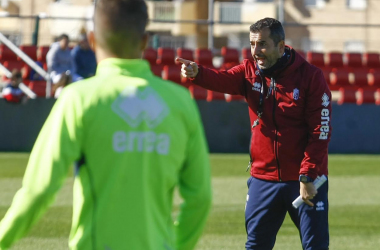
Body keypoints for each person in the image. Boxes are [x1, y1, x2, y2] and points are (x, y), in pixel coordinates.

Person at [0, 0, 212, 249]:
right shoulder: (180, 103)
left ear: (92, 40)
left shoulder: (78, 99)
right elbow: (200, 199)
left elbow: (39, 189)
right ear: (144, 41)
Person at [177, 17, 331, 250]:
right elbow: (222, 79)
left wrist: (307, 175)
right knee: (256, 246)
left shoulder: (310, 77)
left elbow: (320, 131)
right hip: (263, 179)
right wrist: (197, 73)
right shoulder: (249, 71)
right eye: (252, 44)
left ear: (280, 46)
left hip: (303, 180)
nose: (255, 51)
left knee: (315, 247)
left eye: (262, 44)